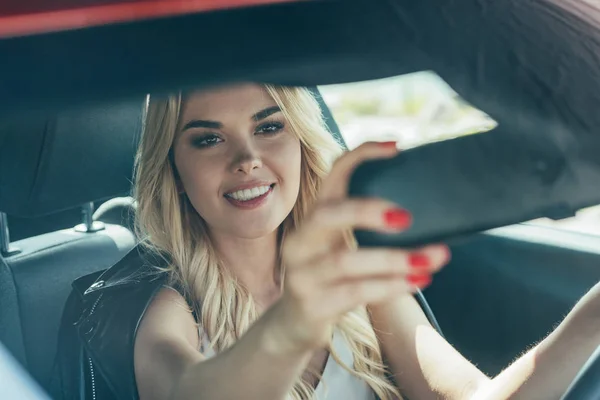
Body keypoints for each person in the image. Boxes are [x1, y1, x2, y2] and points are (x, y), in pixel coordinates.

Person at [71, 83, 600, 400]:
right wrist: (293, 326)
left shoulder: (349, 277)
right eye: (208, 139)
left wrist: (591, 319)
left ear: (302, 142)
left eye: (270, 127)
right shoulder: (161, 307)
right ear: (176, 171)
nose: (247, 158)